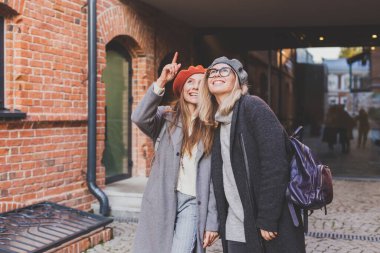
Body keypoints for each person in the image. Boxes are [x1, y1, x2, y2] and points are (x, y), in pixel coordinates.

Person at [198, 56, 305, 253]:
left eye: (224, 71)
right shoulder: (215, 122)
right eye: (212, 72)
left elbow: (275, 164)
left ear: (238, 79)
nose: (216, 75)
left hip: (264, 222)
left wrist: (268, 217)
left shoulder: (253, 107)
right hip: (235, 225)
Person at [132, 53, 219, 253]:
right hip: (163, 199)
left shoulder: (214, 126)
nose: (195, 87)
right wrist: (162, 81)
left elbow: (216, 178)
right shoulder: (165, 117)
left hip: (192, 203)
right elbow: (139, 117)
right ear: (181, 89)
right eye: (190, 82)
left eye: (201, 83)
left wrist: (213, 221)